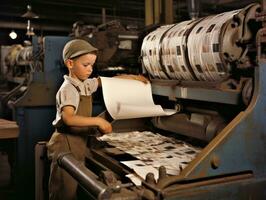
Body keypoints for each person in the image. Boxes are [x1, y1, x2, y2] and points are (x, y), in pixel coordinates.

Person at [46, 39, 148, 200]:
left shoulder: (84, 84)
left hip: (78, 143)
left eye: (92, 65)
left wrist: (135, 79)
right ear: (70, 63)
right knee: (64, 192)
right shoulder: (68, 89)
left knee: (74, 189)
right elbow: (68, 118)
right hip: (65, 144)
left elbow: (107, 81)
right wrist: (99, 121)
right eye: (85, 65)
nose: (90, 69)